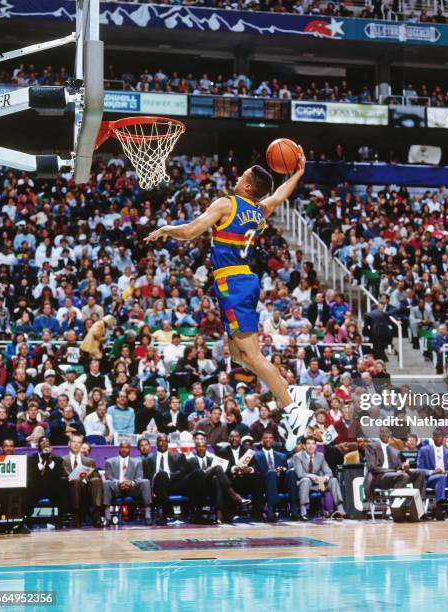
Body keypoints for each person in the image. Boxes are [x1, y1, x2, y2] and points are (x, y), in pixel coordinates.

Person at [144, 149, 312, 435]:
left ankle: (293, 406)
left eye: (242, 176)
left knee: (253, 355)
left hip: (233, 284)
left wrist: (166, 229)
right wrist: (297, 173)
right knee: (239, 357)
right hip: (239, 282)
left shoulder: (227, 204)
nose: (237, 177)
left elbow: (189, 232)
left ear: (247, 187)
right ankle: (284, 393)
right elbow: (280, 195)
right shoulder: (259, 210)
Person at [188, 439, 250, 523]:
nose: (201, 448)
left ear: (206, 448)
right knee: (217, 468)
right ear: (195, 448)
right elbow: (192, 477)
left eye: (203, 446)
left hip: (210, 487)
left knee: (217, 479)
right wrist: (207, 471)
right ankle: (234, 495)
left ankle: (219, 516)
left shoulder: (211, 459)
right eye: (199, 446)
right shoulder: (190, 461)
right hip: (197, 487)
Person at [364, 427, 426, 505]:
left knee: (419, 473)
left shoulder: (395, 451)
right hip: (378, 477)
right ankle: (395, 508)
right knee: (403, 476)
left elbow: (399, 467)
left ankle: (417, 504)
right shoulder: (371, 446)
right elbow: (372, 467)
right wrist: (395, 471)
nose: (385, 434)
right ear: (379, 434)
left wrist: (404, 467)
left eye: (387, 432)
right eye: (383, 432)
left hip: (394, 476)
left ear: (390, 434)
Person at [143, 434, 194, 525]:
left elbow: (183, 473)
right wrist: (149, 490)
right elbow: (146, 477)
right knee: (161, 475)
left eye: (165, 441)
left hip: (174, 485)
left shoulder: (178, 456)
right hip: (157, 488)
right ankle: (164, 512)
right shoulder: (149, 460)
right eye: (160, 441)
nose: (163, 443)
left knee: (163, 474)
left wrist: (169, 475)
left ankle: (164, 510)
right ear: (156, 443)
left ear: (168, 443)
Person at [293, 436, 346, 520]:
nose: (311, 446)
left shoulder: (320, 456)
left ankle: (340, 510)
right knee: (305, 480)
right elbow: (300, 474)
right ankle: (303, 512)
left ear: (316, 446)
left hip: (318, 484)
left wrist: (323, 479)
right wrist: (316, 478)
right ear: (304, 446)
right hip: (304, 483)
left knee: (333, 480)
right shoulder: (298, 456)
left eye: (313, 444)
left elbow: (329, 472)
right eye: (308, 444)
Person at [216, 430, 264, 521]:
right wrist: (234, 469)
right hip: (231, 481)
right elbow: (221, 469)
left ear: (239, 438)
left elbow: (255, 467)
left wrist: (249, 469)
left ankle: (258, 512)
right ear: (228, 438)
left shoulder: (247, 451)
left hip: (245, 480)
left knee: (257, 477)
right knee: (222, 480)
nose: (234, 439)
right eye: (232, 436)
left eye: (236, 436)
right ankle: (228, 513)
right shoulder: (222, 451)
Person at [102, 441, 152, 526]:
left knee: (145, 481)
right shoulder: (110, 461)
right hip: (117, 488)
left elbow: (139, 477)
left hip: (132, 489)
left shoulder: (137, 461)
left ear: (130, 449)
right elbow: (109, 477)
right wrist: (119, 483)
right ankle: (107, 515)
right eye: (122, 447)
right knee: (106, 483)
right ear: (119, 449)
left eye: (126, 447)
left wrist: (131, 483)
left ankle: (148, 513)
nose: (124, 449)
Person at [255, 430, 299, 521]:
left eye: (270, 438)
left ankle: (293, 508)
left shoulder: (281, 456)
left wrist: (282, 470)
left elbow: (285, 470)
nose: (268, 440)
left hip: (280, 482)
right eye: (265, 438)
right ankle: (271, 509)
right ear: (261, 440)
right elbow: (256, 473)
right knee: (271, 473)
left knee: (291, 472)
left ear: (273, 440)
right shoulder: (256, 456)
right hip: (264, 484)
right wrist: (272, 472)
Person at [62, 432, 103, 528]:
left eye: (79, 442)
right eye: (73, 442)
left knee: (96, 480)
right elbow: (61, 478)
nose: (76, 444)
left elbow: (97, 477)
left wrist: (85, 477)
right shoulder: (62, 460)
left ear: (81, 445)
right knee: (75, 481)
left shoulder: (89, 461)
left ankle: (96, 515)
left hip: (87, 488)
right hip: (70, 489)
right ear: (69, 444)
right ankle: (76, 515)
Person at [26, 436, 66, 529]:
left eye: (47, 442)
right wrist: (42, 461)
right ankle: (27, 520)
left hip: (51, 488)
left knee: (61, 488)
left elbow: (58, 475)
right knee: (28, 490)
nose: (45, 444)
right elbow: (30, 474)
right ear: (38, 446)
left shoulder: (57, 459)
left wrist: (50, 460)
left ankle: (59, 520)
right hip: (36, 488)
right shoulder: (31, 458)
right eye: (43, 442)